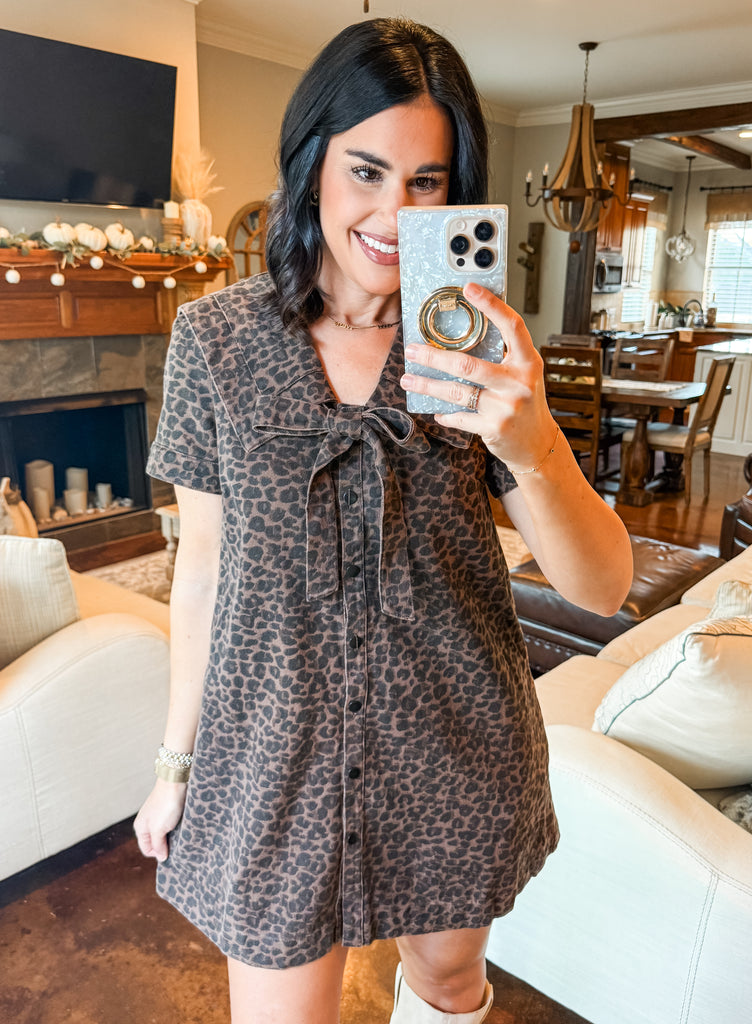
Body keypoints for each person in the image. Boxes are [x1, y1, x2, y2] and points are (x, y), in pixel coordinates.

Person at [134, 17, 632, 1024]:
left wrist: (533, 440)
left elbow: (603, 587)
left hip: (456, 752)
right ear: (312, 161)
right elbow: (203, 574)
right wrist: (176, 763)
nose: (393, 211)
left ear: (457, 194)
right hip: (273, 760)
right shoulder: (216, 341)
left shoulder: (480, 348)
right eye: (366, 170)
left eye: (426, 182)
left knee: (447, 985)